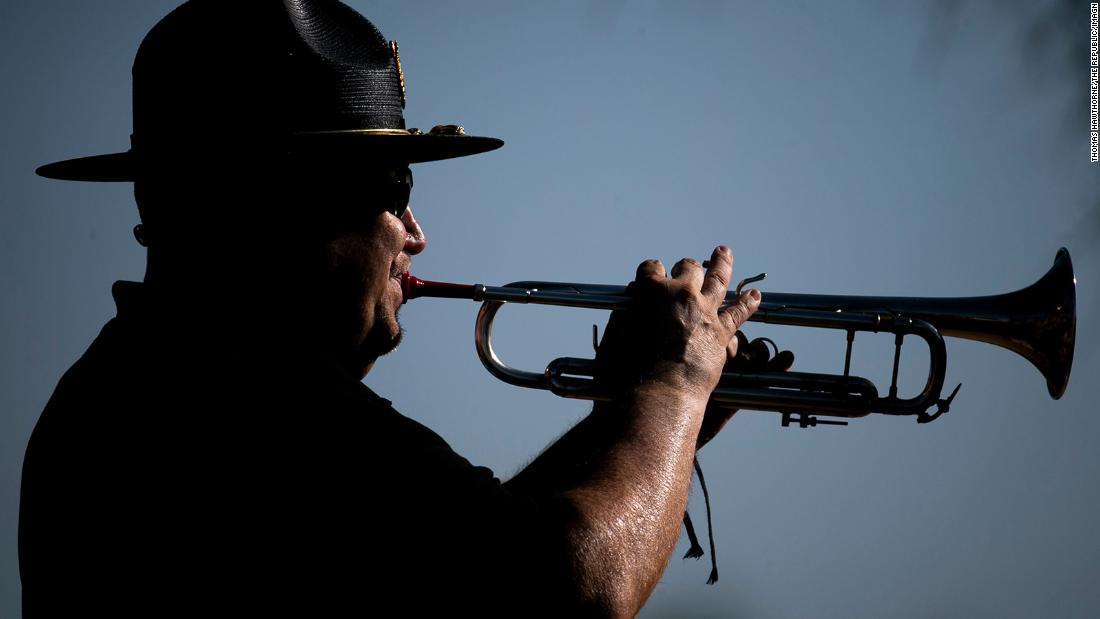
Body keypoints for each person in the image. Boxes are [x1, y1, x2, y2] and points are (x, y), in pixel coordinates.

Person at [20, 1, 791, 617]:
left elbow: (485, 559)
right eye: (396, 188)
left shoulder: (134, 380)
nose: (416, 234)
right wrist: (669, 392)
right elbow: (573, 590)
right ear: (283, 205)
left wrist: (640, 430)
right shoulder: (248, 397)